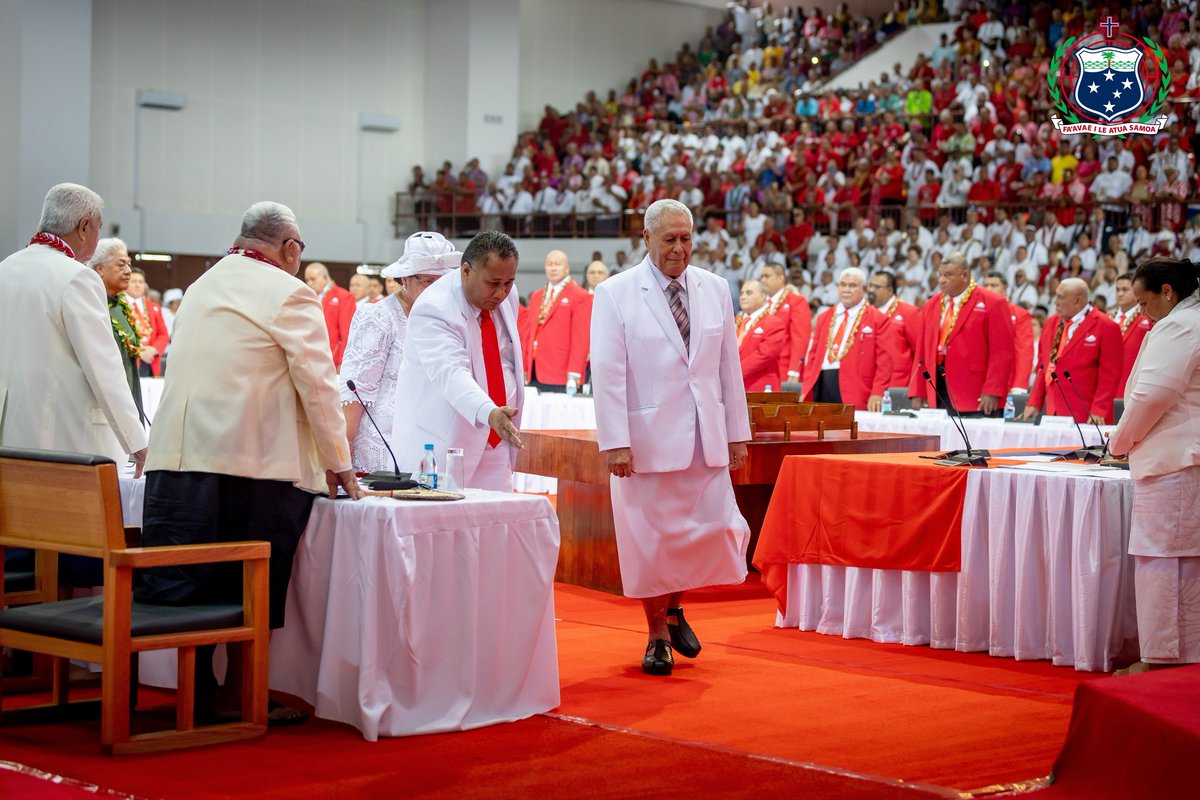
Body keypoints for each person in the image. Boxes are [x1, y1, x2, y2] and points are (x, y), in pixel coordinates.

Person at [136, 201, 362, 726]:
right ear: (288, 248)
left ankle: (198, 699)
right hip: (250, 466)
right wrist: (339, 462)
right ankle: (244, 693)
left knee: (187, 586)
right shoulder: (289, 292)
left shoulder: (199, 287)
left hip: (176, 463)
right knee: (249, 586)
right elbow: (319, 387)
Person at [591, 199, 751, 677]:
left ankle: (675, 608)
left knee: (704, 535)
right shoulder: (615, 293)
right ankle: (656, 634)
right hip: (645, 442)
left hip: (705, 436)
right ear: (646, 239)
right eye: (669, 239)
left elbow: (728, 367)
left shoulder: (715, 288)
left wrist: (737, 434)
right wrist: (614, 441)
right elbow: (608, 371)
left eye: (686, 238)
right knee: (652, 543)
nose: (679, 248)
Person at [0, 183, 147, 470]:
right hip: (59, 438)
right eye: (98, 228)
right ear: (84, 227)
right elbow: (104, 368)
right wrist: (137, 442)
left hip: (9, 432)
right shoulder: (77, 277)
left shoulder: (6, 268)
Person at [1108, 258, 1200, 673]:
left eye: (1144, 302)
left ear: (1168, 292)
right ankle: (1181, 658)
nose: (1141, 313)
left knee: (1160, 560)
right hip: (1181, 458)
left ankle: (1160, 659)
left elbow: (1151, 397)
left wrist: (1119, 443)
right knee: (1183, 561)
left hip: (1171, 460)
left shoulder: (1180, 325)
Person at [387, 230, 524, 491]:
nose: (501, 293)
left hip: (497, 439)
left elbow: (504, 358)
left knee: (495, 525)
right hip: (443, 443)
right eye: (493, 283)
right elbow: (451, 374)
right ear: (465, 271)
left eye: (508, 283)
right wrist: (490, 412)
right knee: (442, 528)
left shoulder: (509, 294)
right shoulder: (433, 307)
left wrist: (499, 415)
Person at [340, 232, 458, 473]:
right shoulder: (378, 316)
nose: (436, 289)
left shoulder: (445, 317)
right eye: (427, 281)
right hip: (382, 440)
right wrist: (344, 444)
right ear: (405, 279)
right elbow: (356, 391)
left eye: (442, 281)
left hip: (428, 437)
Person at [1022, 277, 1122, 424]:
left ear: (1077, 301)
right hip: (1053, 411)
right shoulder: (1051, 323)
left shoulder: (1106, 326)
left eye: (1061, 297)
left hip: (1087, 413)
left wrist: (1099, 410)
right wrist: (1034, 401)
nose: (1055, 302)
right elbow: (1043, 366)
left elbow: (1110, 375)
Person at [802, 267, 894, 411]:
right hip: (821, 382)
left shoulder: (878, 319)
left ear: (864, 288)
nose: (846, 289)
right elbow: (813, 355)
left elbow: (885, 361)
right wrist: (806, 384)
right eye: (843, 285)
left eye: (852, 285)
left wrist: (878, 392)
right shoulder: (824, 317)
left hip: (855, 388)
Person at [88, 238, 145, 424]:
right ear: (100, 269)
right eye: (121, 265)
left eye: (129, 264)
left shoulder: (120, 305)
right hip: (102, 410)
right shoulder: (91, 304)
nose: (128, 271)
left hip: (128, 397)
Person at [519, 249, 591, 394]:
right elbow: (529, 334)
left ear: (567, 268)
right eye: (549, 264)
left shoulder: (580, 296)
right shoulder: (536, 296)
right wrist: (525, 366)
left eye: (557, 264)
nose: (553, 268)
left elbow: (581, 339)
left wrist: (575, 372)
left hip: (561, 372)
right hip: (535, 369)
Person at [758, 262, 812, 386]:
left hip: (783, 368)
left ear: (780, 278)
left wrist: (794, 371)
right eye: (761, 277)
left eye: (767, 276)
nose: (763, 280)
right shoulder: (761, 303)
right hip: (761, 369)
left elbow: (800, 339)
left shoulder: (796, 301)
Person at [982, 271, 1035, 394]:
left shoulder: (1020, 314)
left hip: (1007, 382)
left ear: (1004, 288)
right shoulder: (976, 312)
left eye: (994, 285)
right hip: (979, 381)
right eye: (986, 285)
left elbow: (1024, 352)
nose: (989, 289)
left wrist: (1019, 386)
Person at [867, 269, 920, 389]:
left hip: (897, 384)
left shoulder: (909, 312)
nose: (871, 290)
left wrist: (916, 388)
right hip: (868, 383)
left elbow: (919, 353)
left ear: (890, 290)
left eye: (876, 287)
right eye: (870, 285)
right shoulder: (864, 313)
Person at [736, 279, 787, 391]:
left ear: (763, 296)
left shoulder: (774, 323)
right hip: (734, 387)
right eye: (741, 293)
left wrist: (733, 373)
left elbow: (764, 355)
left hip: (760, 386)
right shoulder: (733, 322)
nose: (743, 297)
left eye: (749, 293)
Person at [304, 261, 356, 369]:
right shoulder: (308, 297)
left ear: (325, 277)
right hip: (312, 356)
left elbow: (346, 333)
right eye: (307, 280)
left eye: (313, 279)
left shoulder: (344, 296)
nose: (309, 283)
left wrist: (342, 361)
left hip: (332, 357)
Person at [1111, 274, 1155, 398]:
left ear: (1136, 290)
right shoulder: (1107, 318)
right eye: (1117, 289)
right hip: (1109, 384)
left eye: (1125, 289)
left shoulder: (1148, 317)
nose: (1120, 293)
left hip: (1134, 382)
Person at [124, 267, 170, 377]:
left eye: (141, 282)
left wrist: (154, 349)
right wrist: (138, 352)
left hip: (150, 360)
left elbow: (163, 334)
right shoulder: (119, 304)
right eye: (133, 281)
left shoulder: (154, 307)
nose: (138, 285)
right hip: (128, 360)